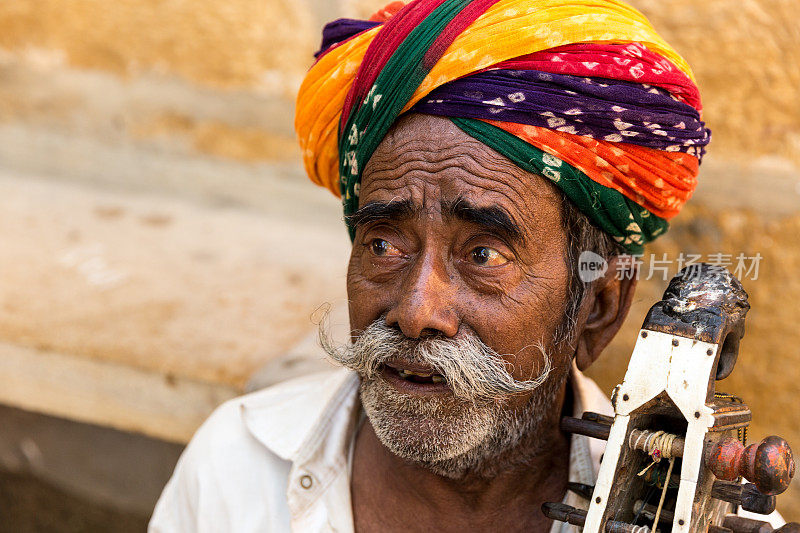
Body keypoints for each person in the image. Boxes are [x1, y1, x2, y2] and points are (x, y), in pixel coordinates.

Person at [149, 1, 771, 531]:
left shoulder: (706, 510)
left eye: (483, 255)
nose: (416, 312)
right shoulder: (234, 466)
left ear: (598, 306)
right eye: (385, 244)